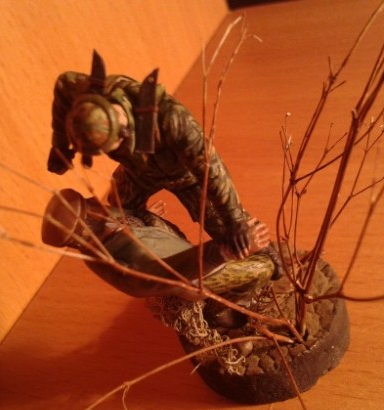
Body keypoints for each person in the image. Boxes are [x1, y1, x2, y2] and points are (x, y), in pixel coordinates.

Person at [46, 51, 281, 274]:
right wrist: (60, 145)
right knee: (121, 206)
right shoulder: (81, 91)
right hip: (138, 172)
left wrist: (235, 220)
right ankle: (160, 234)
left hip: (187, 178)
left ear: (123, 132)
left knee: (228, 232)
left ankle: (269, 257)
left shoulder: (173, 121)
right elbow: (62, 85)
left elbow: (213, 171)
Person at [41, 188, 275, 305]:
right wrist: (228, 250)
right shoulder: (114, 264)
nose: (94, 204)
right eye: (88, 210)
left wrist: (147, 217)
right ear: (82, 232)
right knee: (263, 268)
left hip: (179, 246)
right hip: (194, 275)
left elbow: (124, 219)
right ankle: (229, 306)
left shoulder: (103, 220)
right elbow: (166, 274)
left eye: (87, 202)